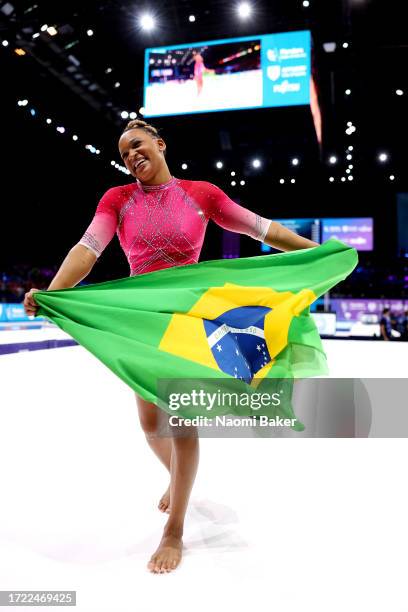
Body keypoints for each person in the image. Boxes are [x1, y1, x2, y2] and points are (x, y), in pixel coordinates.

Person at [24, 119, 318, 573]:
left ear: (160, 144)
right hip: (142, 321)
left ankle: (174, 529)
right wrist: (52, 290)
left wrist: (309, 251)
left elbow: (262, 230)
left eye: (138, 145)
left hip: (187, 322)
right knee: (148, 423)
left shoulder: (202, 194)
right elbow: (88, 247)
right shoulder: (117, 199)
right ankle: (180, 479)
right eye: (124, 154)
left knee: (181, 421)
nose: (132, 156)